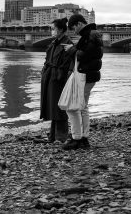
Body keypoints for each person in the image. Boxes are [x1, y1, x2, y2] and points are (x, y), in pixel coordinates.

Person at [62, 14, 103, 150]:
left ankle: (76, 138)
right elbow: (89, 54)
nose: (74, 31)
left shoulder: (89, 36)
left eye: (73, 28)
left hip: (85, 76)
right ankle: (84, 138)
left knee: (72, 107)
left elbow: (84, 55)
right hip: (90, 76)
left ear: (79, 23)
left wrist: (71, 50)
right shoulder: (91, 35)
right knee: (83, 107)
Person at [40, 18, 74, 143]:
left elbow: (69, 63)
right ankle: (53, 136)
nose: (51, 31)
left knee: (60, 107)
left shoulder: (67, 43)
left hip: (59, 78)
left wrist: (62, 76)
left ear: (60, 30)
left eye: (53, 29)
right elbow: (48, 60)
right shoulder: (54, 43)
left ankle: (61, 137)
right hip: (51, 77)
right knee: (54, 106)